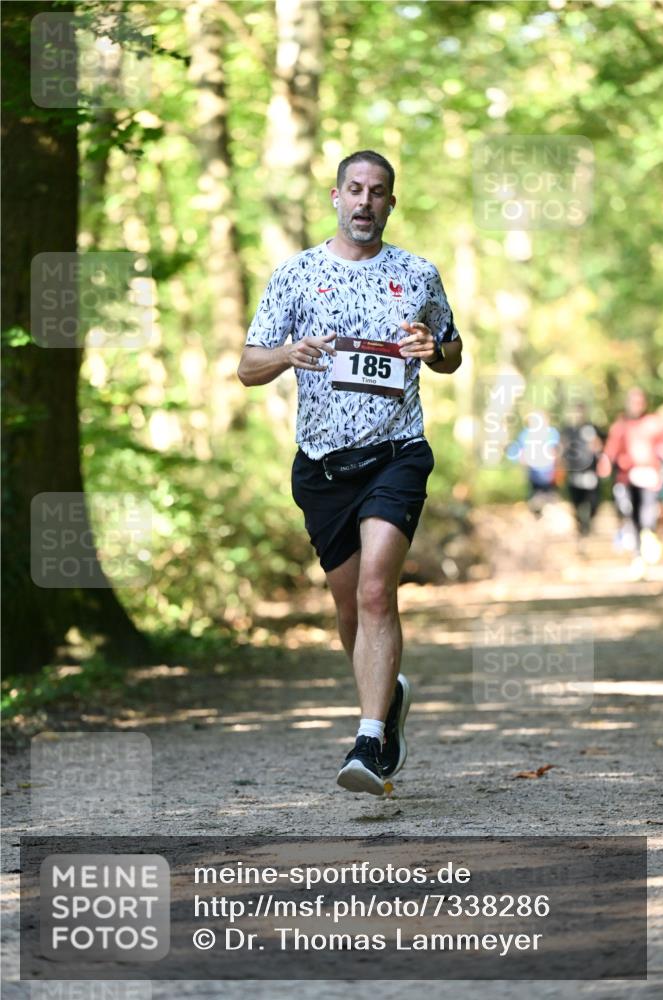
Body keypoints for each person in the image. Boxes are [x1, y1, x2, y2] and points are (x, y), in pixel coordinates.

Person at [237, 150, 462, 795]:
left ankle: (369, 740)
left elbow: (451, 350)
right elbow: (248, 367)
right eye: (355, 189)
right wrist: (288, 353)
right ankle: (386, 698)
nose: (365, 201)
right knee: (349, 609)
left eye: (378, 191)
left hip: (397, 454)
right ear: (336, 197)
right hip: (322, 467)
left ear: (391, 202)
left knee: (375, 592)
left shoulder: (418, 273)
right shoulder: (296, 274)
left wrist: (434, 350)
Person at [598, 387, 663, 577]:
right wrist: (605, 463)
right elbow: (611, 449)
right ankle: (638, 556)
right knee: (631, 515)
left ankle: (648, 536)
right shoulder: (621, 426)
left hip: (649, 476)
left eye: (639, 401)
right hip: (627, 476)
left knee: (648, 512)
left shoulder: (654, 423)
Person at [559, 402, 605, 545]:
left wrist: (597, 448)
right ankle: (581, 528)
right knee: (576, 504)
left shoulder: (592, 429)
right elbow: (562, 449)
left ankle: (587, 524)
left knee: (593, 503)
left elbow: (601, 447)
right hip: (574, 474)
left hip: (590, 474)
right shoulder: (568, 431)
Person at [507, 410, 560, 516]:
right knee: (535, 504)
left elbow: (558, 450)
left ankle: (547, 516)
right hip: (533, 474)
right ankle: (538, 516)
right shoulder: (525, 435)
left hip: (549, 475)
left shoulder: (552, 433)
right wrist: (521, 458)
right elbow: (515, 452)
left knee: (550, 501)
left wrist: (557, 460)